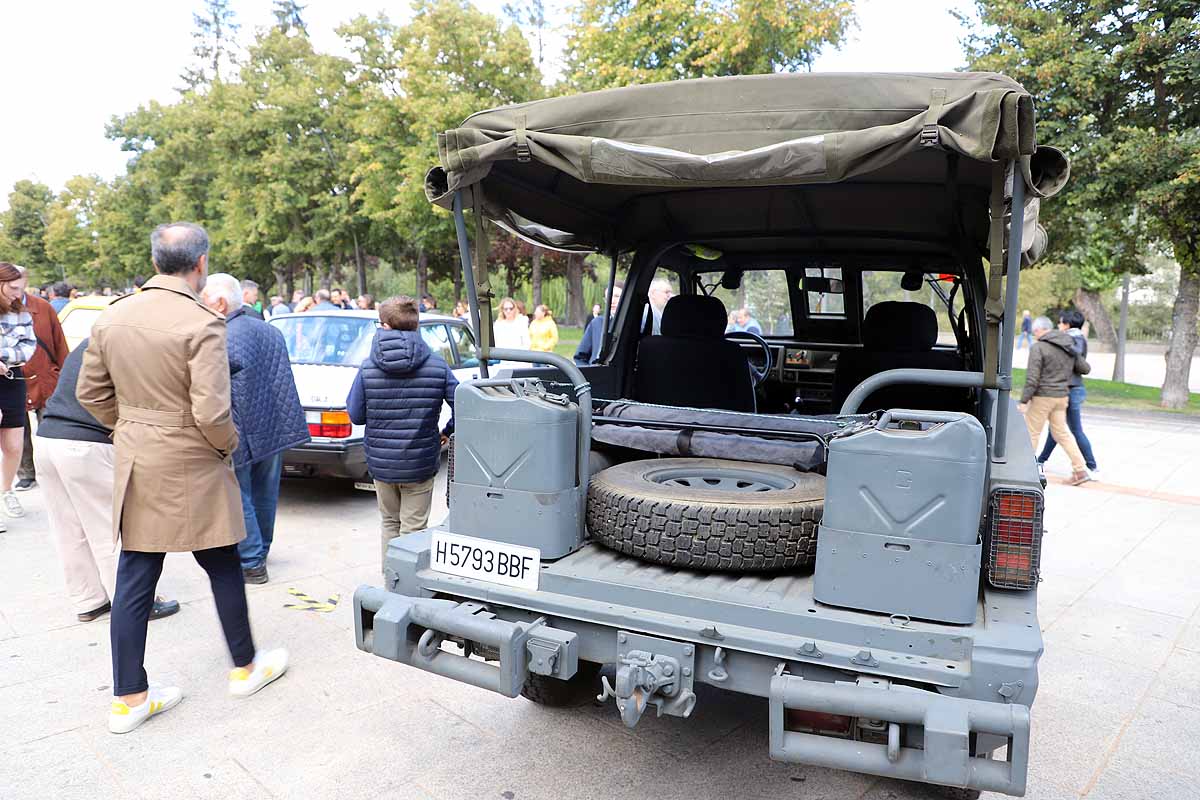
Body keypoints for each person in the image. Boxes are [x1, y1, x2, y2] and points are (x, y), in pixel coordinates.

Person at [77, 222, 288, 735]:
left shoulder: (113, 317)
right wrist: (226, 447)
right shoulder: (202, 323)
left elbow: (90, 393)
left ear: (155, 262)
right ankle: (244, 665)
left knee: (135, 579)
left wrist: (131, 428)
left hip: (140, 459)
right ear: (201, 264)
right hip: (194, 460)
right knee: (223, 566)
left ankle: (129, 697)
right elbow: (214, 412)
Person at [36, 338, 180, 622]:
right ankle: (136, 603)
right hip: (85, 444)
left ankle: (88, 600)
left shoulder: (92, 342)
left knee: (68, 529)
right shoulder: (132, 347)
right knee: (108, 528)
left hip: (48, 439)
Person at [200, 274, 310, 585]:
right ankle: (261, 549)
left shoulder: (220, 335)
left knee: (239, 494)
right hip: (274, 424)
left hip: (241, 426)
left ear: (221, 303)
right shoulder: (270, 330)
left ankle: (252, 562)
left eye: (205, 300)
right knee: (264, 493)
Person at [346, 296, 457, 563]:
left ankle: (390, 583)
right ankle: (407, 588)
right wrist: (448, 430)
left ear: (384, 326)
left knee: (389, 523)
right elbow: (465, 405)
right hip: (420, 462)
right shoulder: (437, 365)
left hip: (381, 463)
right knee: (414, 528)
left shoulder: (368, 366)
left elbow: (356, 415)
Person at [15, 266, 70, 494]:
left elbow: (60, 344)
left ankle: (57, 470)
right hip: (13, 379)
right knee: (17, 432)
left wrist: (64, 376)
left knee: (52, 428)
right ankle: (26, 473)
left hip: (46, 377)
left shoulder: (43, 307)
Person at [1018, 316, 1091, 486]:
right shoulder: (1068, 345)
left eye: (1035, 331)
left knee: (1032, 433)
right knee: (1062, 434)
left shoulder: (1039, 347)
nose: (1035, 334)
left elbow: (1032, 378)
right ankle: (1080, 470)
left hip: (1042, 397)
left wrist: (1024, 400)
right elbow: (1085, 368)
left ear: (1040, 330)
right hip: (1061, 397)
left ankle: (1023, 471)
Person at [1037, 310, 1099, 476]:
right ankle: (1040, 461)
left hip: (1072, 389)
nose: (1058, 325)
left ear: (1068, 324)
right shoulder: (1074, 337)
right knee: (1056, 429)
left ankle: (1092, 466)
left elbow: (1075, 355)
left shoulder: (1075, 338)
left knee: (1074, 430)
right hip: (1068, 388)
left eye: (1061, 322)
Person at [0, 263, 37, 527]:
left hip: (13, 379)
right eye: (13, 288)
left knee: (14, 445)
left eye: (20, 289)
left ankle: (7, 491)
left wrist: (4, 356)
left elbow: (29, 346)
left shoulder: (20, 312)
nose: (17, 294)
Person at [575, 283, 622, 365]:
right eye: (608, 297)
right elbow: (580, 356)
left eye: (617, 296)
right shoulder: (597, 323)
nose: (612, 300)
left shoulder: (637, 324)